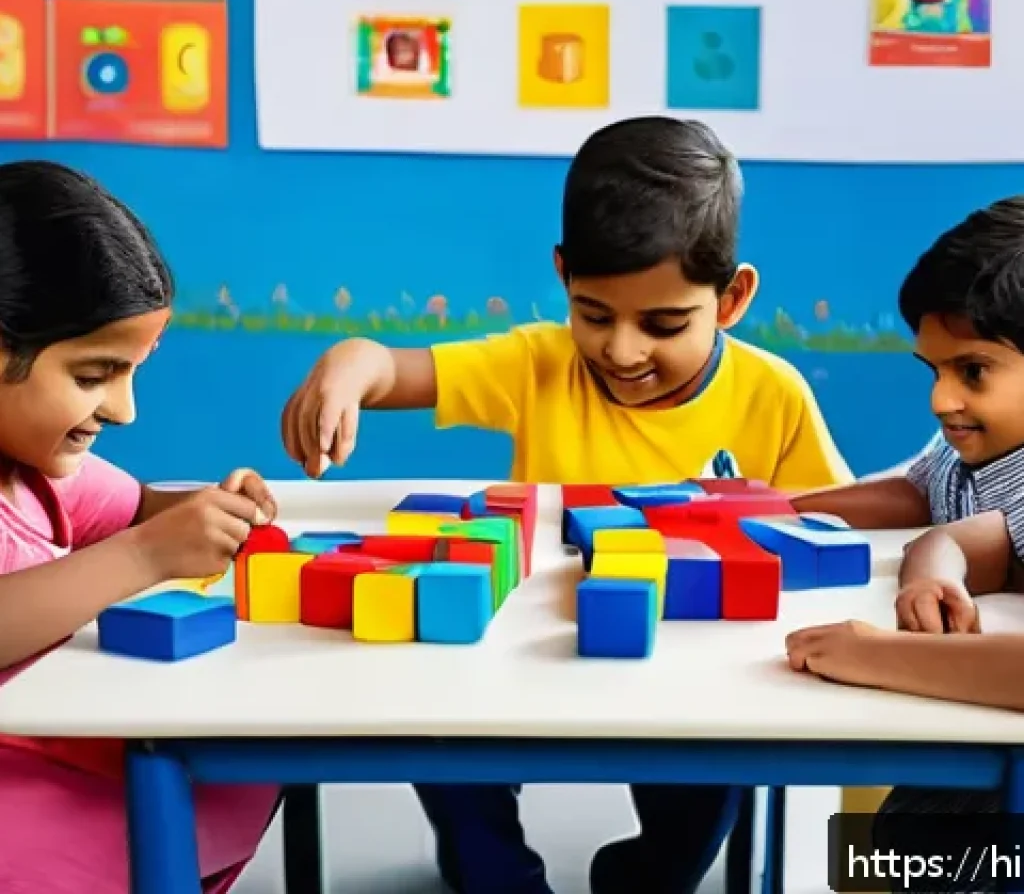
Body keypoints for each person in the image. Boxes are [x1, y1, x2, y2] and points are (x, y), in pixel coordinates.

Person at [282, 116, 853, 894]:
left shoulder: (772, 394)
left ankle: (644, 873)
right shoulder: (538, 363)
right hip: (522, 665)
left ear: (732, 298)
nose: (622, 351)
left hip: (688, 682)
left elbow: (837, 524)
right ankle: (498, 872)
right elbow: (390, 367)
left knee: (706, 799)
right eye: (595, 315)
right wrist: (344, 370)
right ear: (563, 278)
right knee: (438, 736)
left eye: (663, 323)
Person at [0, 161, 281, 893]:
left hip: (69, 745)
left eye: (131, 373)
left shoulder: (33, 470)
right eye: (93, 377)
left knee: (235, 774)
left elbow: (139, 508)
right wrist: (149, 554)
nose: (124, 410)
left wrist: (212, 508)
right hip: (20, 802)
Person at [787, 197, 1024, 892]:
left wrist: (876, 654)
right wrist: (778, 505)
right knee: (896, 835)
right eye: (935, 372)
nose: (940, 399)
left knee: (911, 841)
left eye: (972, 371)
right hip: (975, 744)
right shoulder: (975, 447)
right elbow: (940, 515)